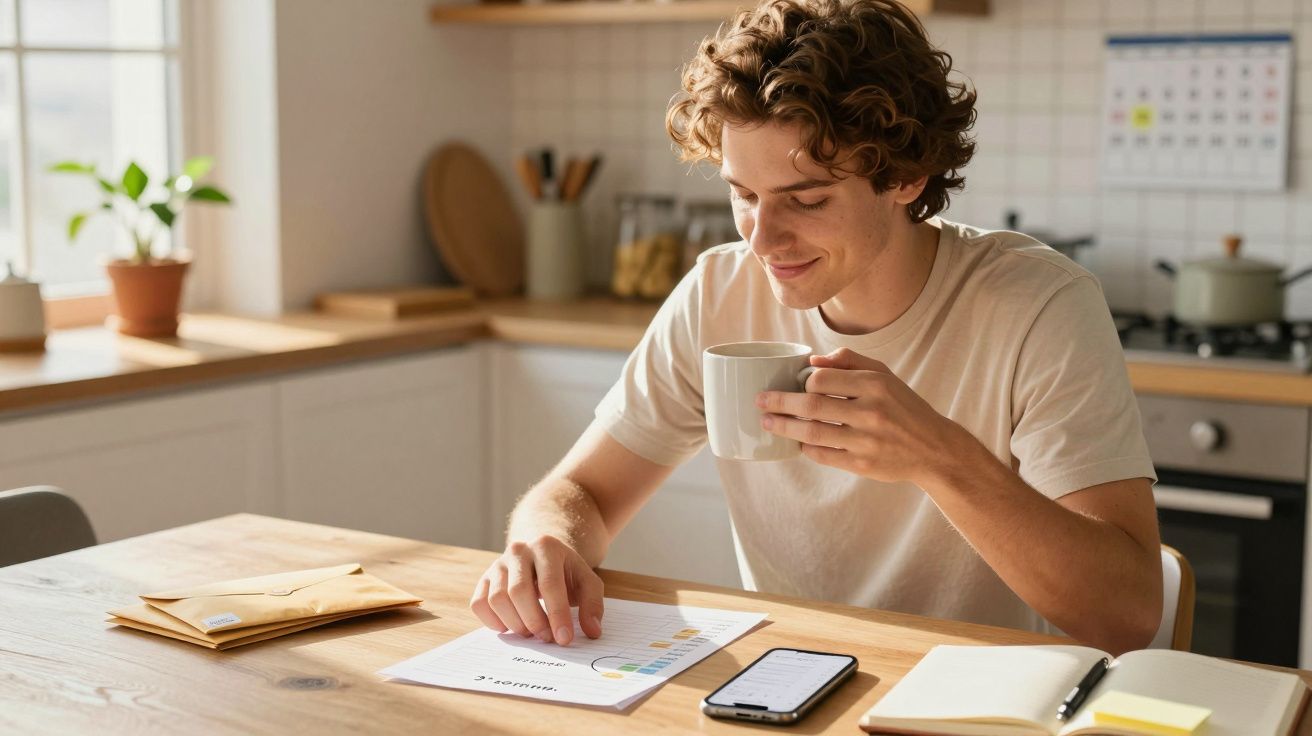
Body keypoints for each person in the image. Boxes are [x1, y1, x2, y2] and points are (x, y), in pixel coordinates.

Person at [470, 0, 1162, 655]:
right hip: (781, 683)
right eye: (744, 195)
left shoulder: (1037, 305)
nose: (763, 239)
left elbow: (1125, 613)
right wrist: (545, 542)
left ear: (907, 178)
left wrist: (940, 458)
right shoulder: (719, 291)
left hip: (971, 703)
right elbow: (580, 493)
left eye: (806, 199)